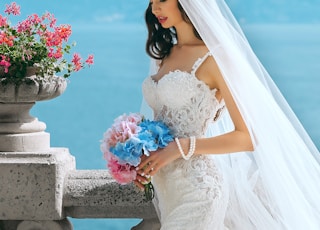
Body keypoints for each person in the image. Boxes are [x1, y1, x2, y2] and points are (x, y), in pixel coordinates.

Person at [133, 0, 320, 229]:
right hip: (167, 192)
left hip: (198, 191)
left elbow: (247, 137)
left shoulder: (215, 59)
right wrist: (142, 157)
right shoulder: (164, 54)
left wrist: (181, 147)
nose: (154, 9)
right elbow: (161, 124)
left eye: (162, 0)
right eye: (151, 2)